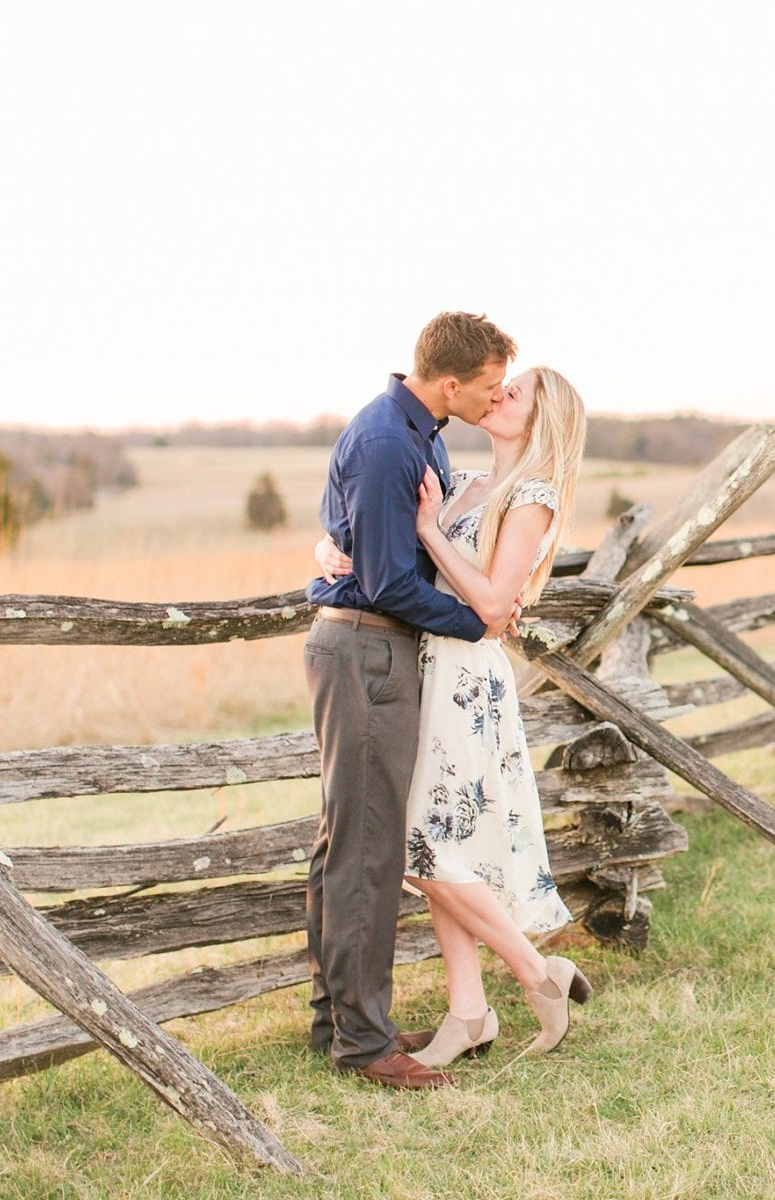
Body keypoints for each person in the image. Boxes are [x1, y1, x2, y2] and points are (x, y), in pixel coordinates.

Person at [315, 365, 593, 1070]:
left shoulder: (532, 496)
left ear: (542, 419)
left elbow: (494, 605)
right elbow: (381, 545)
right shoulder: (464, 478)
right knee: (440, 837)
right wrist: (331, 550)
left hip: (465, 679)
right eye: (500, 384)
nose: (499, 393)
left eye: (517, 391)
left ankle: (535, 972)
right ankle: (468, 1009)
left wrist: (432, 536)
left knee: (420, 841)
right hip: (424, 664)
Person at [303, 312, 520, 1091]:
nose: (498, 399)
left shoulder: (421, 430)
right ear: (452, 382)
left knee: (353, 842)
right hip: (364, 647)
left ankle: (343, 1022)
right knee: (366, 847)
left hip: (377, 643)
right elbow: (390, 579)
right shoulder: (391, 440)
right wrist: (478, 620)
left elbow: (370, 543)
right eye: (491, 387)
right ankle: (363, 1045)